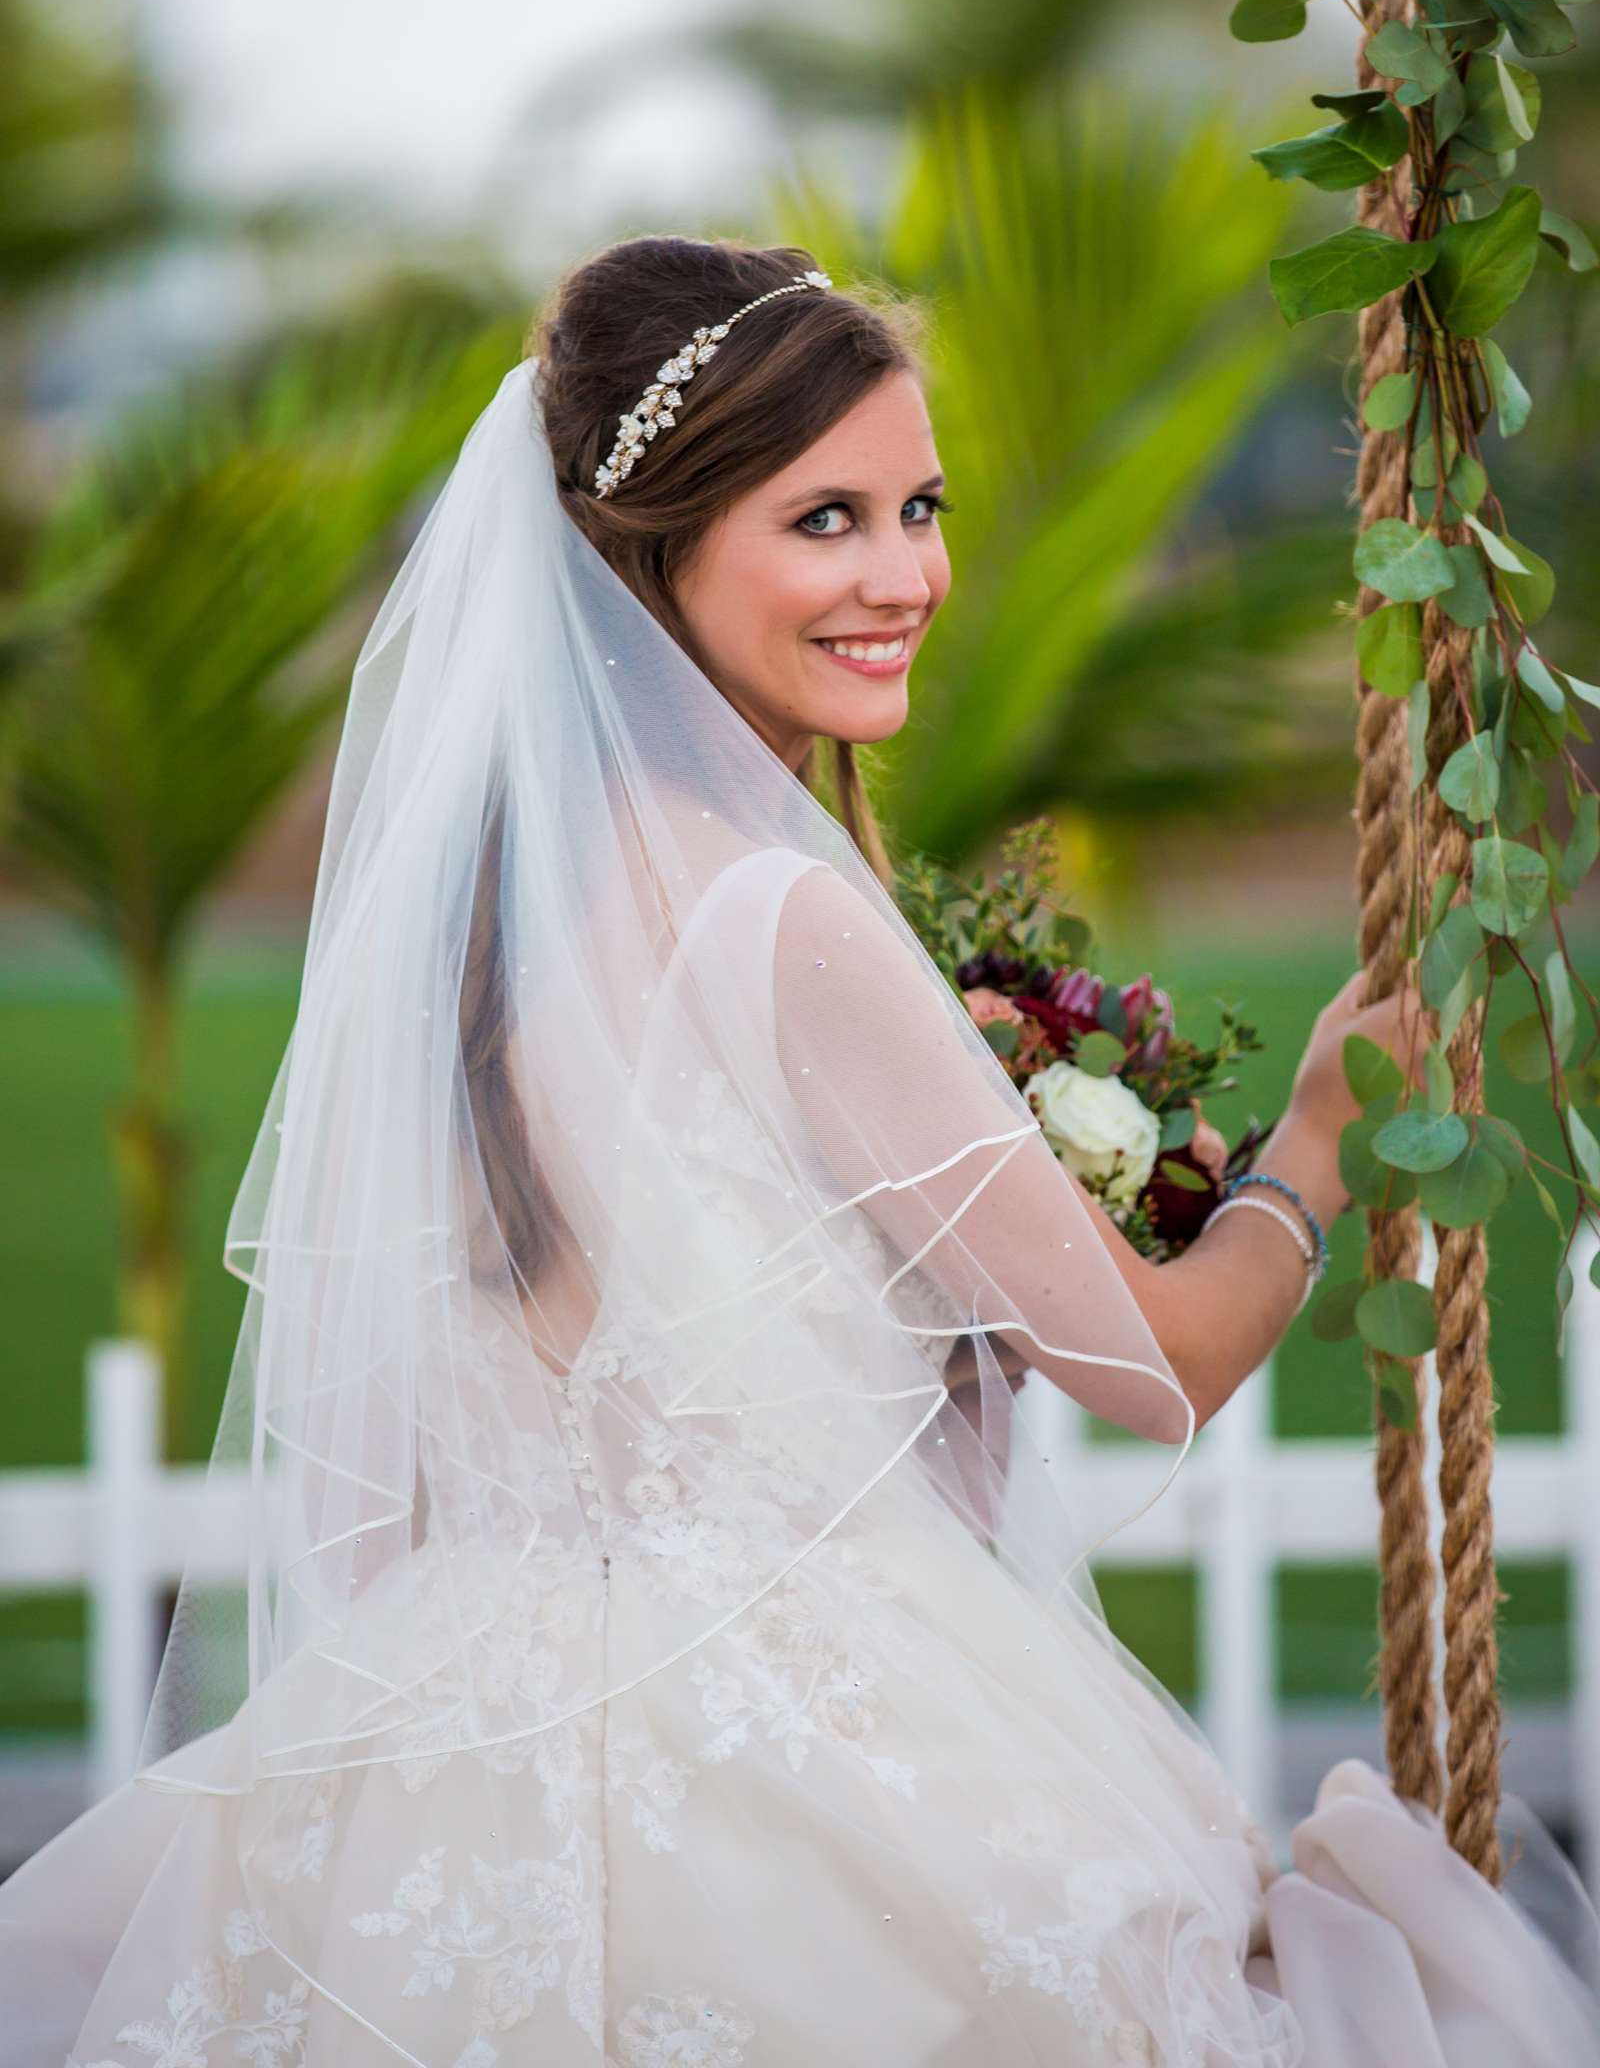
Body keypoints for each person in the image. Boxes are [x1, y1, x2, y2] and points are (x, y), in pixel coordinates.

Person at [2, 236, 1596, 2067]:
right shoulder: (781, 918)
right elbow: (1151, 1368)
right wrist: (1308, 1151)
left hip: (449, 1722)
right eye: (822, 520)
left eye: (916, 508)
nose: (905, 574)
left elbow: (387, 1491)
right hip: (802, 1748)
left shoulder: (477, 928)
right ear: (653, 545)